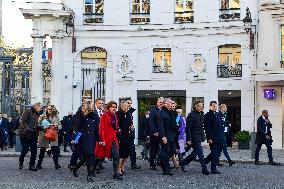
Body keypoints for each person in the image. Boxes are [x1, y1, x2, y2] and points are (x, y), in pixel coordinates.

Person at [72, 101, 100, 182]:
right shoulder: (81, 115)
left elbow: (96, 129)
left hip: (92, 138)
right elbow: (77, 129)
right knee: (84, 159)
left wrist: (99, 139)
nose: (93, 107)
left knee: (91, 156)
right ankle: (75, 169)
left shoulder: (95, 115)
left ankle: (89, 175)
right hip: (83, 139)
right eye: (91, 105)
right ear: (87, 106)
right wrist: (75, 139)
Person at [95, 101, 123, 180]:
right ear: (108, 107)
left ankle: (115, 173)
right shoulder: (104, 116)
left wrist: (118, 131)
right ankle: (93, 169)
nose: (114, 108)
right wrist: (102, 139)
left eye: (115, 107)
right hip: (106, 139)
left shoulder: (115, 116)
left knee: (116, 156)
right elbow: (101, 129)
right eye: (112, 106)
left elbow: (116, 127)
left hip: (113, 139)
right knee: (99, 157)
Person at [181, 102, 209, 175]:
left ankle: (183, 163)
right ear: (195, 107)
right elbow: (188, 128)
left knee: (195, 153)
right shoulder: (191, 115)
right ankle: (204, 169)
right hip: (193, 137)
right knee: (200, 153)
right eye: (200, 106)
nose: (201, 107)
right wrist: (189, 139)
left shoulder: (202, 114)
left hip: (199, 136)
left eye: (202, 106)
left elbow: (203, 126)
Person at [19, 102, 42, 171]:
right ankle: (21, 161)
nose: (41, 109)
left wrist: (42, 128)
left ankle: (31, 165)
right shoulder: (28, 111)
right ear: (35, 106)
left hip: (33, 135)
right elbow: (23, 121)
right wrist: (28, 128)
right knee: (25, 149)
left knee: (34, 151)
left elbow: (36, 125)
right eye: (40, 107)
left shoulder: (37, 115)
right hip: (25, 135)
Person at [37, 105, 62, 170]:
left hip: (53, 135)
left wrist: (57, 127)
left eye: (52, 109)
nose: (50, 110)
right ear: (47, 110)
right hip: (44, 135)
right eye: (49, 109)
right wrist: (44, 127)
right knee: (42, 151)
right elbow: (38, 125)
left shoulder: (56, 117)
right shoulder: (42, 116)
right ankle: (39, 164)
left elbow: (60, 126)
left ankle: (56, 164)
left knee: (55, 151)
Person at [158, 98, 178, 176]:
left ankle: (161, 159)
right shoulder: (161, 113)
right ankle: (166, 170)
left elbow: (176, 123)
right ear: (165, 104)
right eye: (170, 102)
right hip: (165, 137)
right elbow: (160, 126)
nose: (172, 104)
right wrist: (163, 137)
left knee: (173, 151)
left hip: (173, 136)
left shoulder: (172, 112)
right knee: (165, 152)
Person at [204, 101, 222, 174]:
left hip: (218, 137)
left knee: (216, 152)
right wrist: (209, 138)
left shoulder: (217, 114)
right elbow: (207, 128)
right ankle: (213, 169)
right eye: (214, 106)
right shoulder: (208, 115)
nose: (215, 107)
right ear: (210, 106)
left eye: (216, 106)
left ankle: (205, 161)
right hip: (212, 137)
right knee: (214, 153)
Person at [124, 98, 141, 170]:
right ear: (124, 103)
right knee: (124, 150)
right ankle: (120, 167)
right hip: (124, 134)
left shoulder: (130, 112)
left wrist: (131, 126)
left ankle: (133, 164)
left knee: (132, 148)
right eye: (128, 103)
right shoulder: (122, 112)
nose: (130, 105)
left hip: (130, 133)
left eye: (131, 103)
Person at [116, 101, 131, 175]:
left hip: (127, 135)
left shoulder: (128, 114)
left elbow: (129, 123)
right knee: (121, 154)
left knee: (126, 154)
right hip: (121, 136)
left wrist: (131, 126)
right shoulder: (118, 113)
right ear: (122, 106)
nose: (127, 107)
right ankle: (118, 168)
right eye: (125, 106)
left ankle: (123, 167)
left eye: (128, 106)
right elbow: (117, 124)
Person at [149, 97, 164, 170]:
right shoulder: (153, 111)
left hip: (163, 133)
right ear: (157, 102)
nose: (161, 104)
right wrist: (155, 132)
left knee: (164, 149)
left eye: (162, 102)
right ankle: (152, 164)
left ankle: (161, 162)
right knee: (154, 150)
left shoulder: (164, 110)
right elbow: (151, 122)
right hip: (155, 134)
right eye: (160, 102)